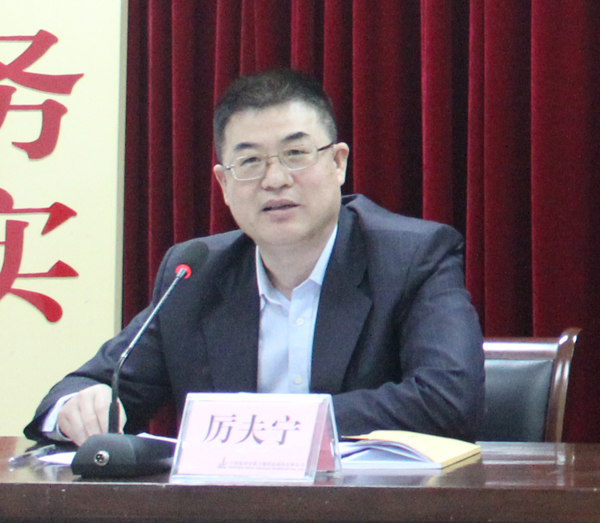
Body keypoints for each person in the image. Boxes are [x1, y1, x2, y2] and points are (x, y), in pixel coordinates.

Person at [25, 69, 484, 446]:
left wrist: (273, 425)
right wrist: (76, 409)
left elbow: (449, 400)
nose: (275, 179)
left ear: (338, 163)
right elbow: (85, 387)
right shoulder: (195, 274)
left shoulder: (411, 257)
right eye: (249, 162)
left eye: (296, 154)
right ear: (224, 184)